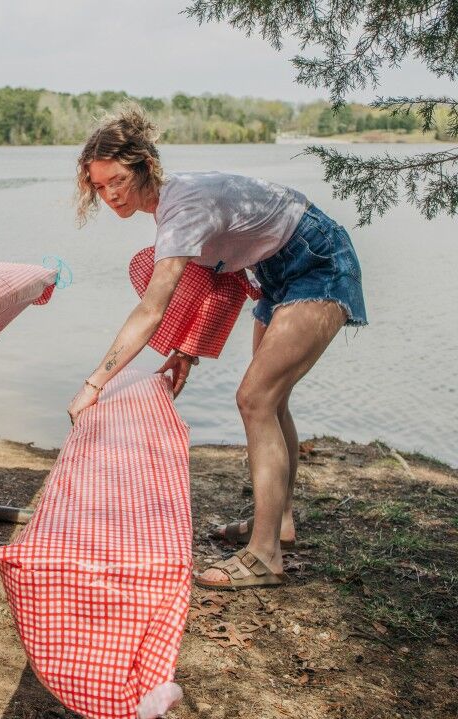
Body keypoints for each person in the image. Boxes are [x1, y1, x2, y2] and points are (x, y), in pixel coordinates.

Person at [67, 104, 367, 589]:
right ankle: (280, 522)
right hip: (275, 271)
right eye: (99, 187)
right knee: (271, 400)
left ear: (144, 165)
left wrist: (94, 383)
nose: (110, 195)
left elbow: (152, 309)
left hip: (317, 262)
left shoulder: (183, 208)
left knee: (256, 399)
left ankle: (264, 557)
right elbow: (218, 280)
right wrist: (186, 350)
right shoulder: (171, 208)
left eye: (117, 180)